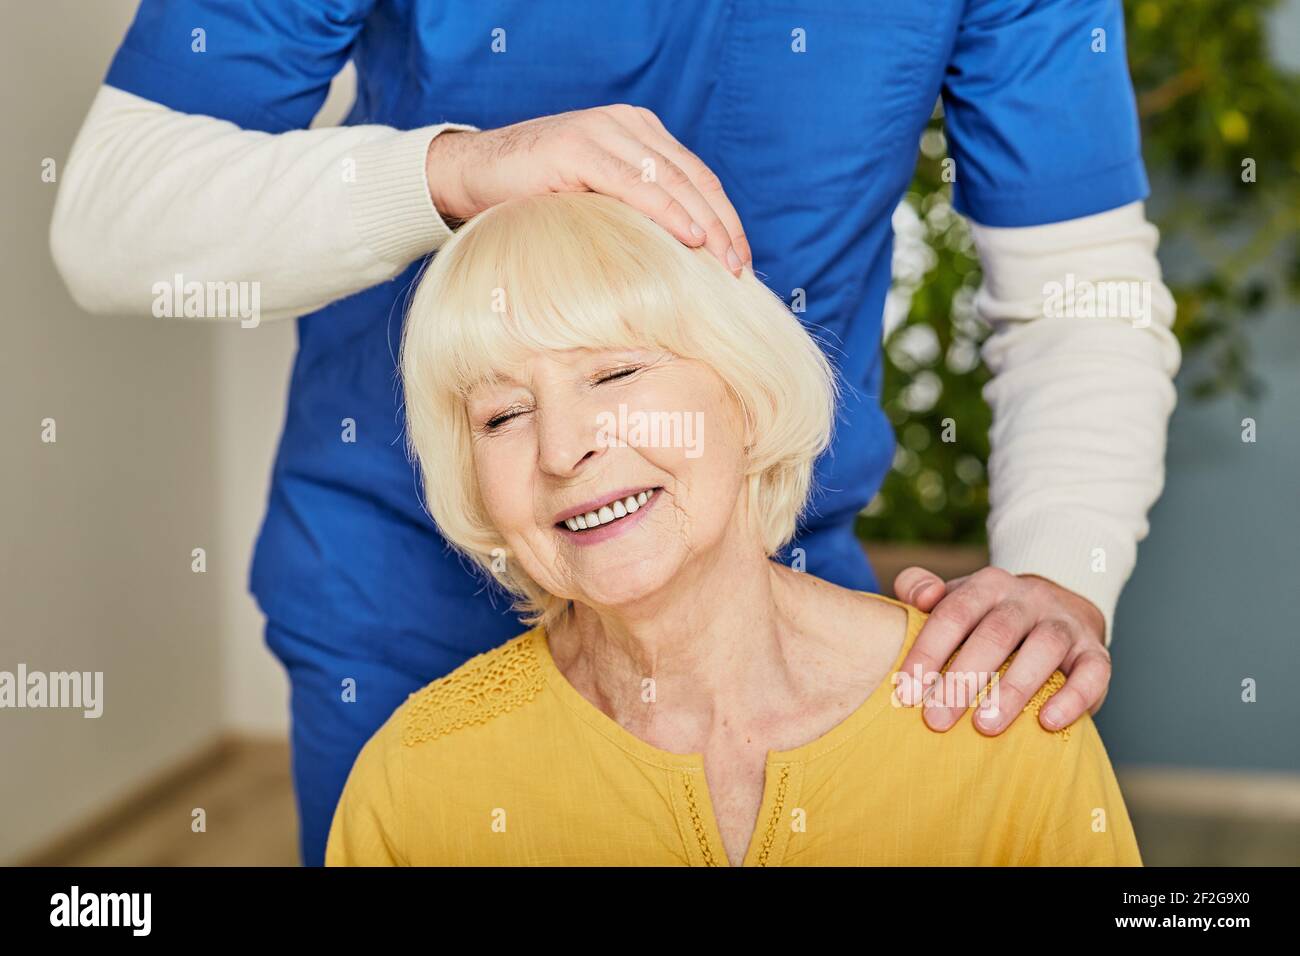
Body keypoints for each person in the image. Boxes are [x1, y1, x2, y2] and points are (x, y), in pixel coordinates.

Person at [49, 1, 1181, 866]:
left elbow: (1074, 290)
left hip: (774, 572)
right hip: (401, 592)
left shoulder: (980, 745)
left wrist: (1055, 570)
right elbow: (108, 217)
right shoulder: (415, 773)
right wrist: (456, 173)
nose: (571, 441)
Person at [326, 192, 1142, 866]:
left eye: (615, 372)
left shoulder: (994, 717)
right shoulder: (417, 784)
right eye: (503, 414)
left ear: (746, 399)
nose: (565, 449)